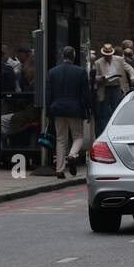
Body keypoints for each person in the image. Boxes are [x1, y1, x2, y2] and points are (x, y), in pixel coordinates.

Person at [46, 46, 90, 178]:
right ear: (74, 56)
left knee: (60, 139)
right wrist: (89, 109)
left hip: (57, 108)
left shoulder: (53, 72)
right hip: (74, 109)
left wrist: (49, 110)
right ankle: (72, 155)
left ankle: (59, 169)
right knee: (78, 137)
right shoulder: (80, 72)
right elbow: (85, 94)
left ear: (62, 56)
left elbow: (49, 94)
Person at [92, 44, 134, 134]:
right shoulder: (98, 63)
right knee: (104, 113)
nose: (108, 57)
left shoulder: (119, 60)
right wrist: (102, 78)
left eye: (109, 55)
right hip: (105, 88)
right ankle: (104, 132)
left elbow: (130, 69)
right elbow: (94, 77)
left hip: (117, 87)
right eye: (106, 55)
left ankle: (118, 131)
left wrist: (133, 77)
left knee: (117, 110)